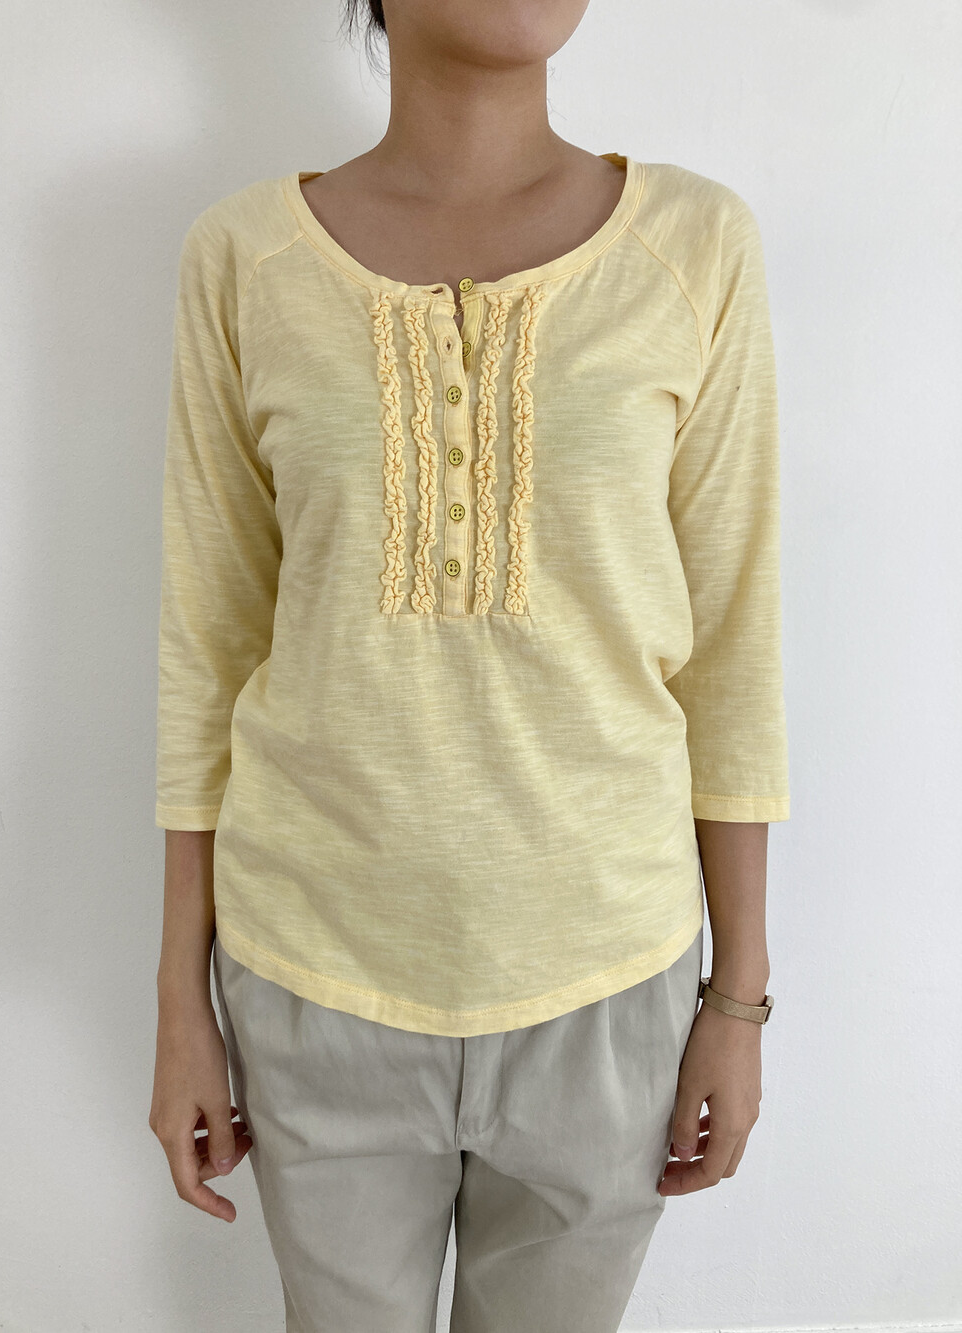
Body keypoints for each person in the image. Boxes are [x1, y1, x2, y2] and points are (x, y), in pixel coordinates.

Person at [148, 1, 790, 1329]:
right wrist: (179, 999)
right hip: (314, 972)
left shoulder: (695, 245)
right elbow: (207, 648)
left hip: (609, 982)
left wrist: (739, 996)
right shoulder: (246, 258)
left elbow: (736, 645)